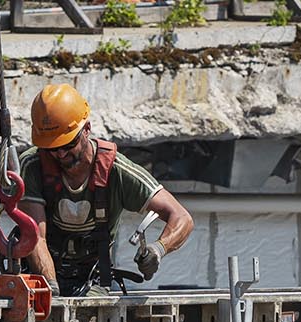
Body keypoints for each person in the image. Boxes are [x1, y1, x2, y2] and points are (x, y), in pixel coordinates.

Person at [20, 83, 195, 296]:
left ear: (86, 129)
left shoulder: (116, 171)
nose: (60, 154)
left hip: (91, 279)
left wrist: (159, 249)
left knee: (92, 315)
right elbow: (36, 237)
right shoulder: (32, 166)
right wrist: (50, 289)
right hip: (40, 276)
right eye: (52, 148)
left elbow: (182, 218)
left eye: (67, 145)